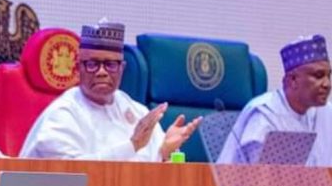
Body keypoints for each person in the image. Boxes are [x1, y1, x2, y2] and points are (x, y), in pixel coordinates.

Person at [19, 20, 202, 161]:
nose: (101, 72)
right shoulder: (63, 114)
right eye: (92, 64)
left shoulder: (137, 111)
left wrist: (163, 151)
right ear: (78, 68)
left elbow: (145, 173)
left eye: (110, 65)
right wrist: (132, 145)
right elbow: (71, 175)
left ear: (122, 68)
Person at [218, 34, 331, 166]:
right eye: (318, 76)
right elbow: (259, 177)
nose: (327, 84)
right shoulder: (264, 113)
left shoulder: (327, 112)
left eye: (329, 75)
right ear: (292, 80)